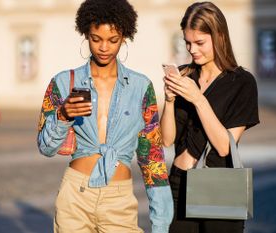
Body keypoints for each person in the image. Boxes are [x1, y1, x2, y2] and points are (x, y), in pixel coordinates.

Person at [37, 0, 173, 232]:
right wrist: (62, 115)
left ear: (124, 38)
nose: (103, 48)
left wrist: (161, 224)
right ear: (85, 34)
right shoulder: (62, 82)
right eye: (95, 39)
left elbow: (151, 158)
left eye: (113, 40)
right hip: (75, 196)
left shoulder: (141, 87)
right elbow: (46, 147)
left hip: (119, 200)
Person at [160, 2, 260, 233]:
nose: (192, 50)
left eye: (199, 43)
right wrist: (169, 99)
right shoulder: (185, 75)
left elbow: (224, 146)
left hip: (218, 187)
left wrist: (198, 99)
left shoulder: (242, 83)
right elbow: (166, 140)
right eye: (187, 42)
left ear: (220, 37)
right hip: (177, 184)